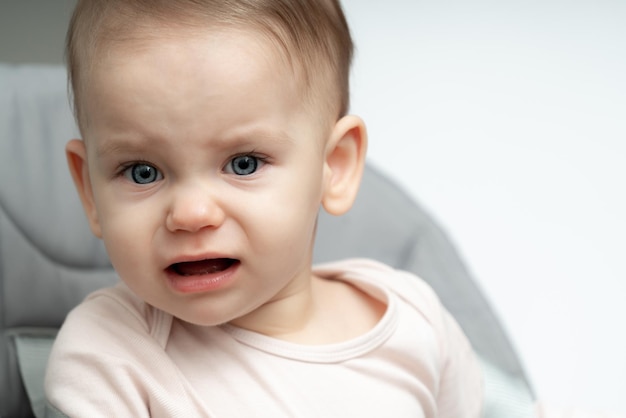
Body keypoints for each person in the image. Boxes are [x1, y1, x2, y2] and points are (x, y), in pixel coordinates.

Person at [44, 0, 483, 416]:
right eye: (142, 171)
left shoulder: (417, 323)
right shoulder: (109, 354)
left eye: (243, 163)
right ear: (90, 191)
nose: (192, 214)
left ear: (334, 166)